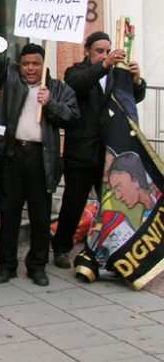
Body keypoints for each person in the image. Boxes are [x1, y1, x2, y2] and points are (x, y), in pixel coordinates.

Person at [0, 2, 79, 287]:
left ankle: (37, 265)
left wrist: (49, 103)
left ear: (44, 67)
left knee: (41, 216)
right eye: (27, 63)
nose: (30, 68)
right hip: (13, 156)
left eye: (36, 64)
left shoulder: (59, 89)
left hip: (42, 160)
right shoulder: (11, 78)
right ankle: (6, 265)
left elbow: (71, 118)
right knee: (10, 214)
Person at [52, 31, 147, 269]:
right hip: (81, 151)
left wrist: (137, 81)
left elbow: (132, 99)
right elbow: (78, 84)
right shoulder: (76, 71)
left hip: (108, 153)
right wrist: (104, 65)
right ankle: (61, 248)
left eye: (107, 50)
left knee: (110, 205)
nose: (105, 55)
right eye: (99, 51)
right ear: (87, 52)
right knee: (73, 203)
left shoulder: (116, 74)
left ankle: (108, 248)